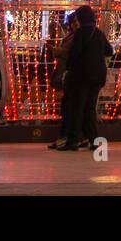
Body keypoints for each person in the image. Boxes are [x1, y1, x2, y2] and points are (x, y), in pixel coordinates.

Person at [57, 5, 114, 151]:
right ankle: (94, 140)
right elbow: (109, 50)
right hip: (97, 76)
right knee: (89, 108)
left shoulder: (80, 33)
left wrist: (69, 69)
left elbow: (73, 55)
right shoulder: (98, 33)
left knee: (77, 108)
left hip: (81, 77)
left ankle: (72, 141)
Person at [45, 14, 77, 149]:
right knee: (66, 106)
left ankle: (66, 137)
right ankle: (69, 137)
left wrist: (59, 51)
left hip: (70, 75)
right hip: (65, 74)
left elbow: (73, 53)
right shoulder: (71, 35)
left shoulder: (77, 36)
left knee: (68, 107)